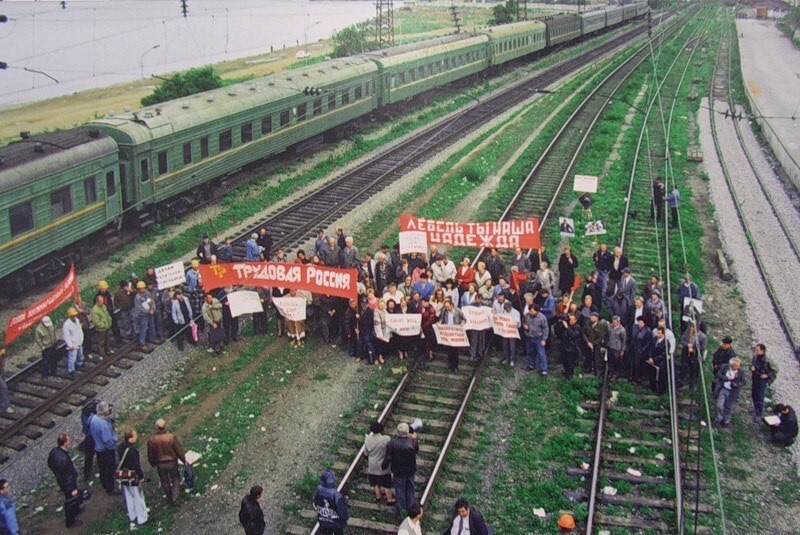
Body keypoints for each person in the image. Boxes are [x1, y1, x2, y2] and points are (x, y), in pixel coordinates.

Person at [146, 419, 188, 505]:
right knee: (176, 478)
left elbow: (150, 454)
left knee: (164, 481)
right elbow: (178, 450)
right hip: (172, 462)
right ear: (165, 426)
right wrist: (184, 460)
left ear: (156, 428)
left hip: (160, 464)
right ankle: (174, 496)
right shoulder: (171, 437)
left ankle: (169, 497)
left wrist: (152, 463)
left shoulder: (151, 440)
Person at [47, 434, 85, 528]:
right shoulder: (64, 459)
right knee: (70, 501)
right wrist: (72, 488)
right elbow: (68, 476)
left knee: (72, 499)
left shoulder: (54, 452)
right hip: (68, 484)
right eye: (68, 440)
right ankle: (70, 521)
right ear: (65, 443)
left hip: (62, 481)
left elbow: (49, 463)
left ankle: (76, 509)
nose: (70, 441)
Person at [382, 422, 419, 515]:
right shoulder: (413, 442)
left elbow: (388, 457)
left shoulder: (392, 443)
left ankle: (401, 509)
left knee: (400, 490)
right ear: (407, 432)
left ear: (397, 432)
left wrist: (384, 466)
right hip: (410, 470)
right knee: (410, 489)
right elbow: (416, 450)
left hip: (398, 471)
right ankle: (411, 508)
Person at [117, 429, 148, 527]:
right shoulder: (132, 451)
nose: (136, 437)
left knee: (129, 496)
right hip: (133, 476)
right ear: (130, 438)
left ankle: (132, 515)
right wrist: (141, 477)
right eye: (135, 436)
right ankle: (142, 518)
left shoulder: (121, 447)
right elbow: (136, 466)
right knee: (138, 497)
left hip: (124, 476)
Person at [87, 401, 119, 494]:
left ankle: (104, 483)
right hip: (106, 450)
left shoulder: (92, 419)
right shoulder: (103, 424)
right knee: (109, 469)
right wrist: (112, 446)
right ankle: (111, 488)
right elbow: (107, 440)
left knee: (102, 468)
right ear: (105, 412)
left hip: (98, 448)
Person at [364, 422, 395, 505]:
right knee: (386, 484)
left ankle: (378, 497)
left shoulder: (367, 439)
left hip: (372, 465)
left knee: (375, 483)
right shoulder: (386, 439)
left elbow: (366, 453)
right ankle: (389, 499)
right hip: (383, 465)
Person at [313, 470, 349, 535]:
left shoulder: (318, 490)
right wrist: (345, 518)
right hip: (335, 523)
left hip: (323, 521)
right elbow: (342, 510)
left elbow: (315, 503)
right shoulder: (336, 495)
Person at [714, 358, 745, 428]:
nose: (738, 367)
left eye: (739, 366)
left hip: (732, 392)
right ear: (731, 365)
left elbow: (743, 382)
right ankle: (719, 418)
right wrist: (726, 378)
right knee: (719, 405)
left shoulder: (741, 372)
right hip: (723, 388)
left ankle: (726, 420)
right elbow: (718, 374)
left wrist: (737, 385)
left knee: (729, 407)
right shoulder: (725, 367)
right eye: (736, 366)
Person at [750, 344, 776, 421]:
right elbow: (752, 364)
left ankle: (759, 414)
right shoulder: (755, 357)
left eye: (758, 350)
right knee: (754, 394)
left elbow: (775, 370)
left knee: (760, 396)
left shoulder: (767, 360)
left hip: (761, 381)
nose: (756, 351)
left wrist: (767, 375)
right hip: (755, 378)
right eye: (756, 350)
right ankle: (755, 407)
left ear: (762, 350)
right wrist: (752, 368)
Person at [439, 299, 466, 372]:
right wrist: (439, 323)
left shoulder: (458, 311)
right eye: (446, 307)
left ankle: (455, 366)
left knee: (455, 350)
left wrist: (462, 324)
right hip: (448, 332)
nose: (447, 308)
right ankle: (450, 363)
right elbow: (441, 319)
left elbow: (464, 319)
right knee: (449, 349)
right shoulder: (445, 311)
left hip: (455, 332)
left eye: (448, 307)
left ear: (451, 305)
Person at [523, 304, 549, 375]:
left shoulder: (542, 317)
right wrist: (524, 326)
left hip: (539, 338)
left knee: (541, 354)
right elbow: (524, 322)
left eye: (532, 311)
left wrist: (544, 339)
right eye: (530, 311)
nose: (530, 312)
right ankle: (531, 365)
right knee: (530, 352)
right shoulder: (527, 315)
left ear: (536, 311)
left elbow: (546, 328)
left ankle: (544, 370)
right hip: (529, 337)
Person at [133, 281, 159, 352]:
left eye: (143, 288)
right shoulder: (137, 297)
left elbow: (152, 301)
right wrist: (148, 311)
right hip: (143, 315)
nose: (142, 290)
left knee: (152, 326)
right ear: (138, 289)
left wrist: (153, 309)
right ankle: (142, 343)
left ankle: (152, 338)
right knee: (143, 329)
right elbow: (139, 308)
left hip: (150, 313)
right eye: (141, 288)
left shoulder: (147, 293)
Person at [582, 311, 608, 375]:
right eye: (591, 317)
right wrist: (587, 342)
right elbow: (583, 332)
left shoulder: (601, 325)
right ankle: (588, 369)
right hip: (588, 343)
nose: (591, 318)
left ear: (597, 318)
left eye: (593, 317)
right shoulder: (587, 323)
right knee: (588, 357)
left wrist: (594, 343)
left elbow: (601, 336)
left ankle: (598, 372)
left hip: (596, 345)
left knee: (597, 358)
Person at [556, 314, 581, 378]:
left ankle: (570, 375)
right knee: (564, 362)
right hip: (564, 346)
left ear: (575, 320)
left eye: (571, 319)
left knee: (570, 362)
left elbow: (574, 335)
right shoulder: (565, 325)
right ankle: (566, 373)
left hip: (572, 347)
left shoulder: (577, 327)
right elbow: (558, 333)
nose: (569, 321)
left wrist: (567, 327)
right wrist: (560, 325)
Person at [63, 307, 85, 375]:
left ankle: (80, 363)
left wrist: (81, 338)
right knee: (72, 357)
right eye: (73, 315)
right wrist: (70, 345)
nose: (74, 316)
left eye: (75, 315)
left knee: (80, 354)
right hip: (73, 344)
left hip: (79, 341)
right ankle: (71, 370)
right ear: (69, 316)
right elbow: (66, 336)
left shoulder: (77, 320)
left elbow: (79, 330)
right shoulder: (66, 325)